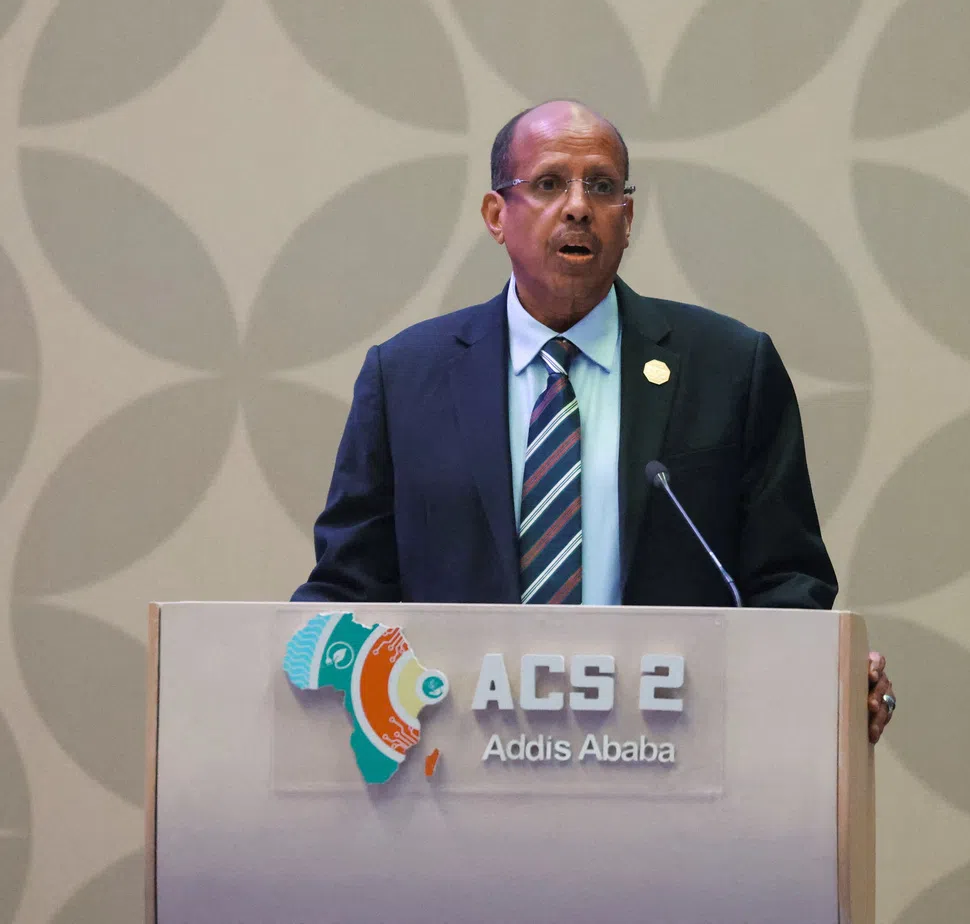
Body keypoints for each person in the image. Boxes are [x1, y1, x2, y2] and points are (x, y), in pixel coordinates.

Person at [293, 100, 895, 741]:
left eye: (602, 187)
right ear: (497, 215)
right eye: (550, 183)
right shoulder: (406, 377)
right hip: (457, 750)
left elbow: (786, 580)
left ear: (627, 219)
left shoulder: (729, 368)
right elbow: (350, 585)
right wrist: (275, 666)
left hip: (669, 749)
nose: (578, 206)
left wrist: (824, 674)